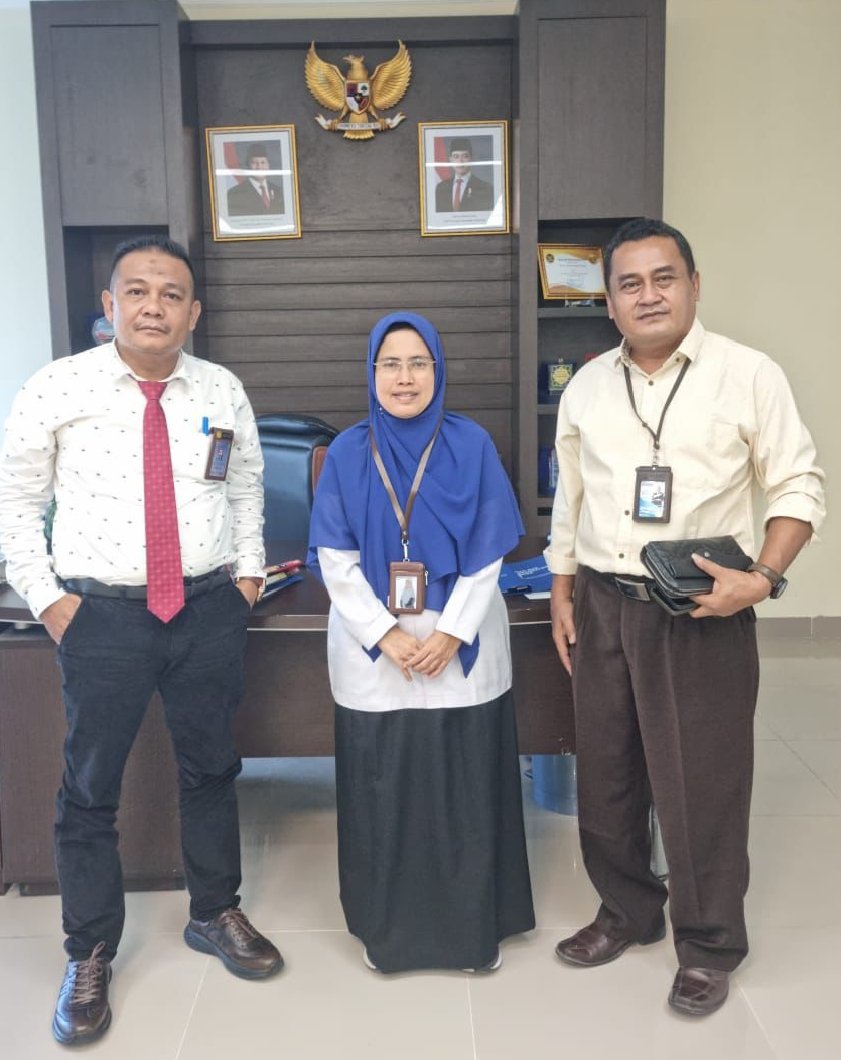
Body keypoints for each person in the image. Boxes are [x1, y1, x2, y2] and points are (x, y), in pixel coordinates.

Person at [0, 235, 282, 1047]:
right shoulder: (58, 387)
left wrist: (248, 575)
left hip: (205, 610)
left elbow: (246, 486)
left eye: (171, 294)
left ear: (194, 312)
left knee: (211, 768)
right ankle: (88, 952)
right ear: (110, 305)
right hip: (101, 616)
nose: (154, 306)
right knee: (90, 788)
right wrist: (50, 600)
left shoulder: (221, 389)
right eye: (138, 291)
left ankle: (213, 911)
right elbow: (15, 502)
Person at [545, 217, 825, 1016]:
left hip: (699, 608)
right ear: (607, 302)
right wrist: (563, 589)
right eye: (628, 284)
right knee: (606, 775)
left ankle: (706, 944)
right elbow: (571, 496)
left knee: (701, 783)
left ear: (693, 286)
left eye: (662, 278)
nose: (647, 296)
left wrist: (762, 578)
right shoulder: (587, 386)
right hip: (603, 602)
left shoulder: (747, 374)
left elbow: (798, 484)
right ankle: (626, 911)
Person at [308, 311, 534, 973]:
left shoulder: (471, 445)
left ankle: (471, 935)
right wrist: (384, 633)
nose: (404, 378)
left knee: (465, 792)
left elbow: (488, 554)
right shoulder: (347, 452)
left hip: (460, 644)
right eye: (390, 364)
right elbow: (334, 558)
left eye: (417, 363)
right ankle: (388, 936)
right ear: (371, 373)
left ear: (438, 370)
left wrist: (451, 632)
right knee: (385, 794)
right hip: (374, 648)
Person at [434, 137, 495, 213]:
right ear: (450, 159)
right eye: (456, 157)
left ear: (471, 158)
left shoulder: (486, 188)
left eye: (465, 156)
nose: (460, 161)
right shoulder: (441, 188)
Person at [227, 141, 285, 216]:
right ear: (248, 166)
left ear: (268, 165)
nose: (259, 167)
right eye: (254, 163)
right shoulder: (235, 193)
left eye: (263, 162)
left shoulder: (278, 191)